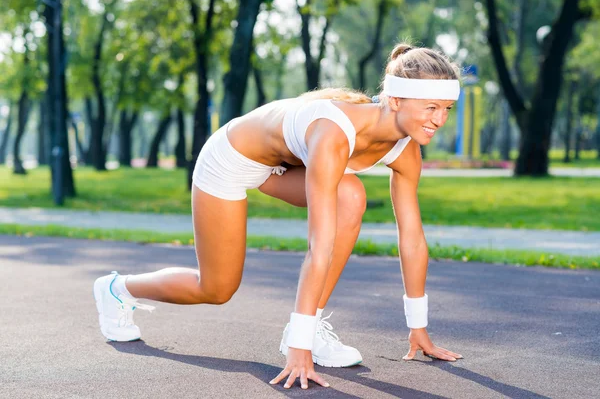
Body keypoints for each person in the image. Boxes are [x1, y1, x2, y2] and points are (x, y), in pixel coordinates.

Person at [93, 42, 463, 390]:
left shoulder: (406, 149)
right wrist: (297, 350)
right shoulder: (334, 132)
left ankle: (311, 325)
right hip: (231, 161)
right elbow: (320, 244)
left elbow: (412, 237)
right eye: (431, 108)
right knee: (216, 289)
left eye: (446, 109)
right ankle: (116, 289)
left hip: (280, 167)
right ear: (395, 99)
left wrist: (419, 327)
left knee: (350, 195)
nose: (439, 119)